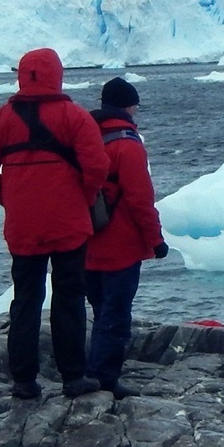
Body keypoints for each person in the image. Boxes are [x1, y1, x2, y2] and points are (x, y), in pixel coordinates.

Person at [0, 48, 109, 400]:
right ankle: (73, 377)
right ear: (56, 75)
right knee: (69, 298)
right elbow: (97, 168)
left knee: (26, 300)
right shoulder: (76, 117)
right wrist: (83, 198)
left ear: (22, 75)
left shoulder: (1, 119)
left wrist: (12, 199)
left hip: (24, 228)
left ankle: (23, 381)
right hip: (69, 224)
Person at [82, 77, 167, 399]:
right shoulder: (127, 144)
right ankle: (104, 378)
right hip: (120, 245)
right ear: (128, 106)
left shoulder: (84, 137)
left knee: (100, 309)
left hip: (85, 241)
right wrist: (155, 240)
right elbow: (139, 198)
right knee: (115, 315)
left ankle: (89, 367)